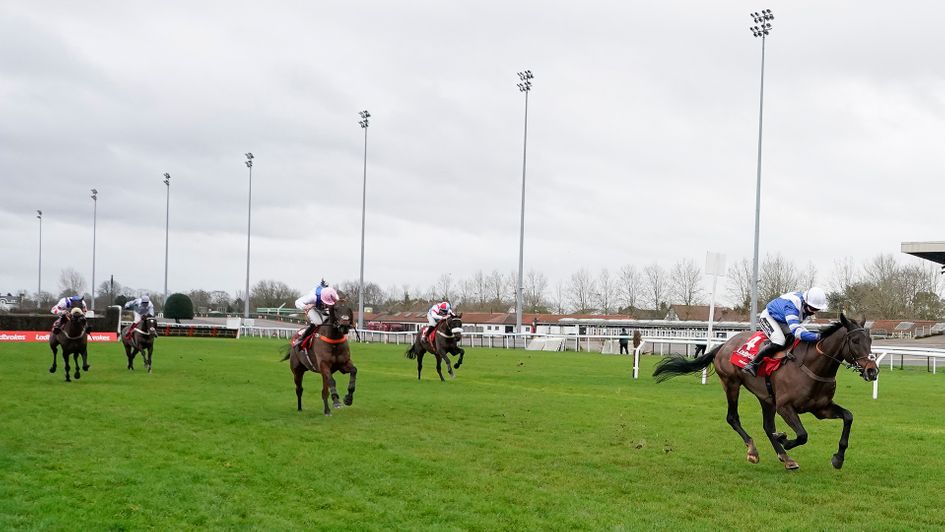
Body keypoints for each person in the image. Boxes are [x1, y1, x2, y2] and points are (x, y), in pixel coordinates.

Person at [742, 286, 827, 377]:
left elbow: (800, 329)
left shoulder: (805, 303)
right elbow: (797, 331)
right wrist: (817, 337)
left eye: (817, 309)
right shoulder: (792, 306)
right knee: (779, 341)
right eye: (813, 308)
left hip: (783, 320)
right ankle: (753, 364)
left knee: (793, 338)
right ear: (805, 302)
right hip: (769, 317)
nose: (814, 312)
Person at [293, 281, 339, 349]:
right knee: (318, 322)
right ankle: (301, 339)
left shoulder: (335, 296)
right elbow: (297, 302)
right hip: (312, 308)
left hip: (319, 306)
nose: (326, 304)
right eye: (326, 302)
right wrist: (306, 306)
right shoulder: (312, 297)